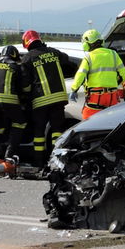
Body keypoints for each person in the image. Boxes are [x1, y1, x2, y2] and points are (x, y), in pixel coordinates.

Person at [20, 30, 76, 168]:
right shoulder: (54, 52)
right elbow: (68, 62)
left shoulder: (27, 58)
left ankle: (39, 161)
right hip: (58, 99)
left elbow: (25, 83)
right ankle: (55, 161)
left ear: (26, 43)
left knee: (39, 132)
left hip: (40, 101)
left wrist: (25, 96)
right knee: (57, 130)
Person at [70, 29, 125, 120]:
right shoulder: (113, 54)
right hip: (112, 96)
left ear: (88, 42)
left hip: (96, 97)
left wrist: (74, 90)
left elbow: (80, 75)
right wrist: (115, 84)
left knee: (89, 122)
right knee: (111, 121)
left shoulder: (89, 57)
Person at [0, 45, 27, 161]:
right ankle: (9, 154)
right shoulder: (14, 66)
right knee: (19, 123)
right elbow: (22, 87)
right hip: (9, 100)